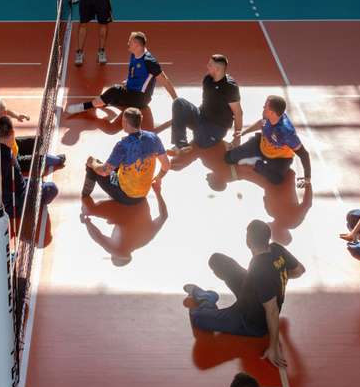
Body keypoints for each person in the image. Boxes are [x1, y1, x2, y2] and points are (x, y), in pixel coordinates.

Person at [184, 220, 305, 369]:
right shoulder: (276, 249)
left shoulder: (260, 271)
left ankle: (206, 298)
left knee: (198, 318)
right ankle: (209, 296)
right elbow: (299, 270)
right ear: (268, 238)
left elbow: (272, 311)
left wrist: (273, 348)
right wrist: (277, 278)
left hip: (247, 320)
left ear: (248, 241)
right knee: (217, 260)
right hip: (251, 289)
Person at [66, 32, 176, 117]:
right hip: (132, 92)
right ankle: (104, 101)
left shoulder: (149, 61)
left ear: (137, 45)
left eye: (130, 42)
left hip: (140, 98)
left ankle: (84, 106)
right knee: (112, 98)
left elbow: (165, 80)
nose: (128, 43)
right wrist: (128, 81)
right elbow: (136, 74)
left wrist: (176, 101)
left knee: (113, 91)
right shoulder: (135, 54)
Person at [0, 116, 58, 219]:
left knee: (35, 182)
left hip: (13, 191)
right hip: (15, 203)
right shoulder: (7, 158)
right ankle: (37, 202)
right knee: (51, 188)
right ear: (12, 133)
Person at [82, 107, 170, 205]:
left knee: (95, 166)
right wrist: (158, 178)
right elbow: (166, 165)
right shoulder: (154, 138)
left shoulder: (123, 145)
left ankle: (84, 197)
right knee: (118, 164)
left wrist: (92, 162)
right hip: (143, 193)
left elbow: (104, 172)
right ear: (140, 119)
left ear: (125, 122)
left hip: (127, 196)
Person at [223, 95, 312, 188]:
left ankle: (257, 163)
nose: (263, 108)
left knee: (276, 179)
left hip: (279, 157)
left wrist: (307, 178)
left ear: (272, 113)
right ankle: (258, 159)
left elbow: (304, 154)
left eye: (265, 106)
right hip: (261, 145)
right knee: (228, 158)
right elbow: (261, 123)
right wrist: (243, 133)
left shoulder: (287, 133)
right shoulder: (267, 117)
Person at [168, 54, 243, 155]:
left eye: (210, 65)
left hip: (217, 126)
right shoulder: (207, 79)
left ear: (217, 69)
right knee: (179, 102)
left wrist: (237, 138)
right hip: (202, 117)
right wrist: (188, 115)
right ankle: (181, 144)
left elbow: (238, 113)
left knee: (201, 142)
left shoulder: (230, 87)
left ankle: (215, 139)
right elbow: (207, 102)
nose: (207, 66)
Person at [0, 98, 65, 172]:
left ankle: (39, 154)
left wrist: (17, 116)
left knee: (39, 140)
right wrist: (14, 160)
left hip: (13, 145)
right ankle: (56, 160)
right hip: (9, 159)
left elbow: (7, 111)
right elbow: (4, 150)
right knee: (36, 162)